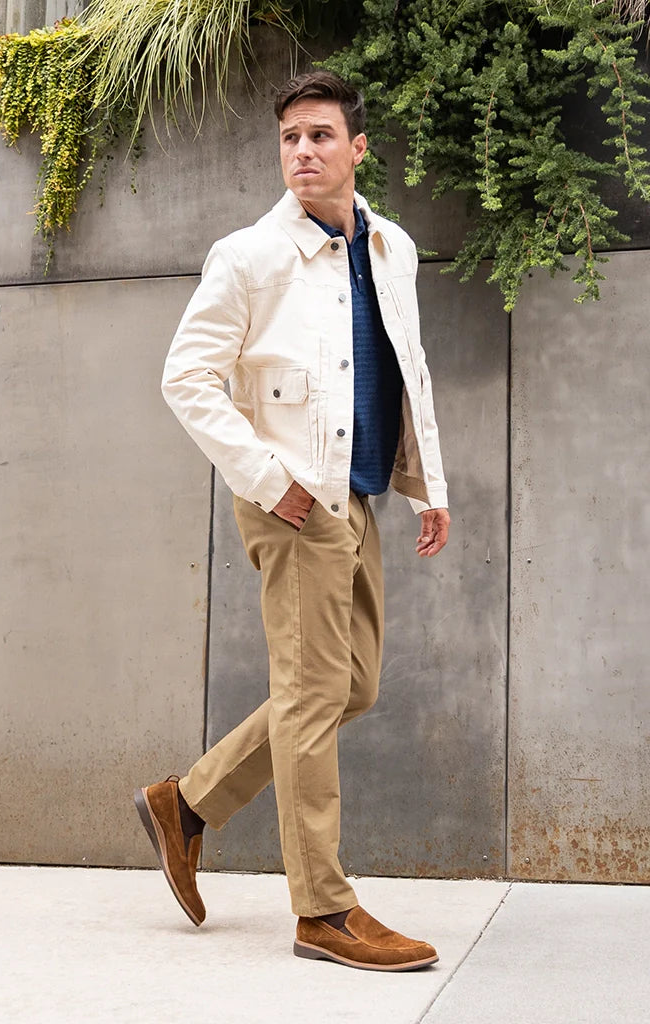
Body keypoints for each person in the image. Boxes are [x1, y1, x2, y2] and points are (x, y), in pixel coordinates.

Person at [135, 69, 450, 972]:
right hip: (293, 497)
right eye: (290, 139)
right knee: (314, 695)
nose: (303, 152)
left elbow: (405, 371)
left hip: (356, 492)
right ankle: (323, 910)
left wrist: (429, 485)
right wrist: (272, 481)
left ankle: (187, 804)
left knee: (352, 687)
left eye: (320, 136)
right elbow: (186, 379)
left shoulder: (393, 247)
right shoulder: (247, 256)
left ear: (358, 149)